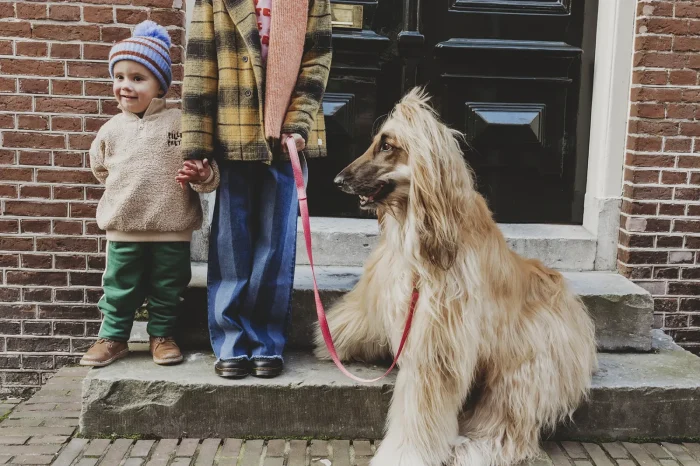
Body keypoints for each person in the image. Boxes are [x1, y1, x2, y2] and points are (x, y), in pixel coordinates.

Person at [179, 0, 332, 378]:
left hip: (285, 142)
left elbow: (316, 60)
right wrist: (196, 146)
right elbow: (200, 66)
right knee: (231, 246)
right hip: (234, 136)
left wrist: (298, 125)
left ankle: (266, 342)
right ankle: (231, 342)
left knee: (275, 249)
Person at [80, 21, 220, 368]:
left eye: (137, 78)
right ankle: (114, 337)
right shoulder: (110, 130)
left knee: (168, 288)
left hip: (172, 227)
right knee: (119, 288)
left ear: (160, 85)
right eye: (120, 77)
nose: (125, 86)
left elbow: (207, 175)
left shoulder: (181, 122)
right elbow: (100, 169)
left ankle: (162, 336)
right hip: (125, 226)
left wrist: (202, 175)